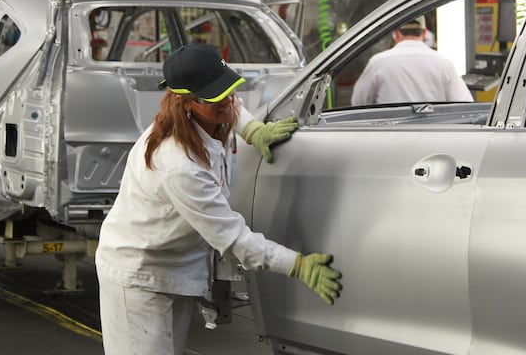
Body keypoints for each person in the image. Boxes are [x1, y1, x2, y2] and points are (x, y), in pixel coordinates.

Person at [95, 43, 342, 355]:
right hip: (138, 276)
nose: (226, 101)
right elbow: (233, 238)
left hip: (176, 267)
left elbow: (228, 104)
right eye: (214, 97)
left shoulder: (209, 111)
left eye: (227, 89)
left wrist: (253, 130)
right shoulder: (179, 166)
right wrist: (297, 265)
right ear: (186, 102)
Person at [351, 16, 473, 106]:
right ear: (424, 33)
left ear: (396, 33)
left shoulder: (378, 62)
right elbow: (464, 104)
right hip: (433, 137)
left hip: (389, 138)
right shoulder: (444, 63)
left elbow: (358, 102)